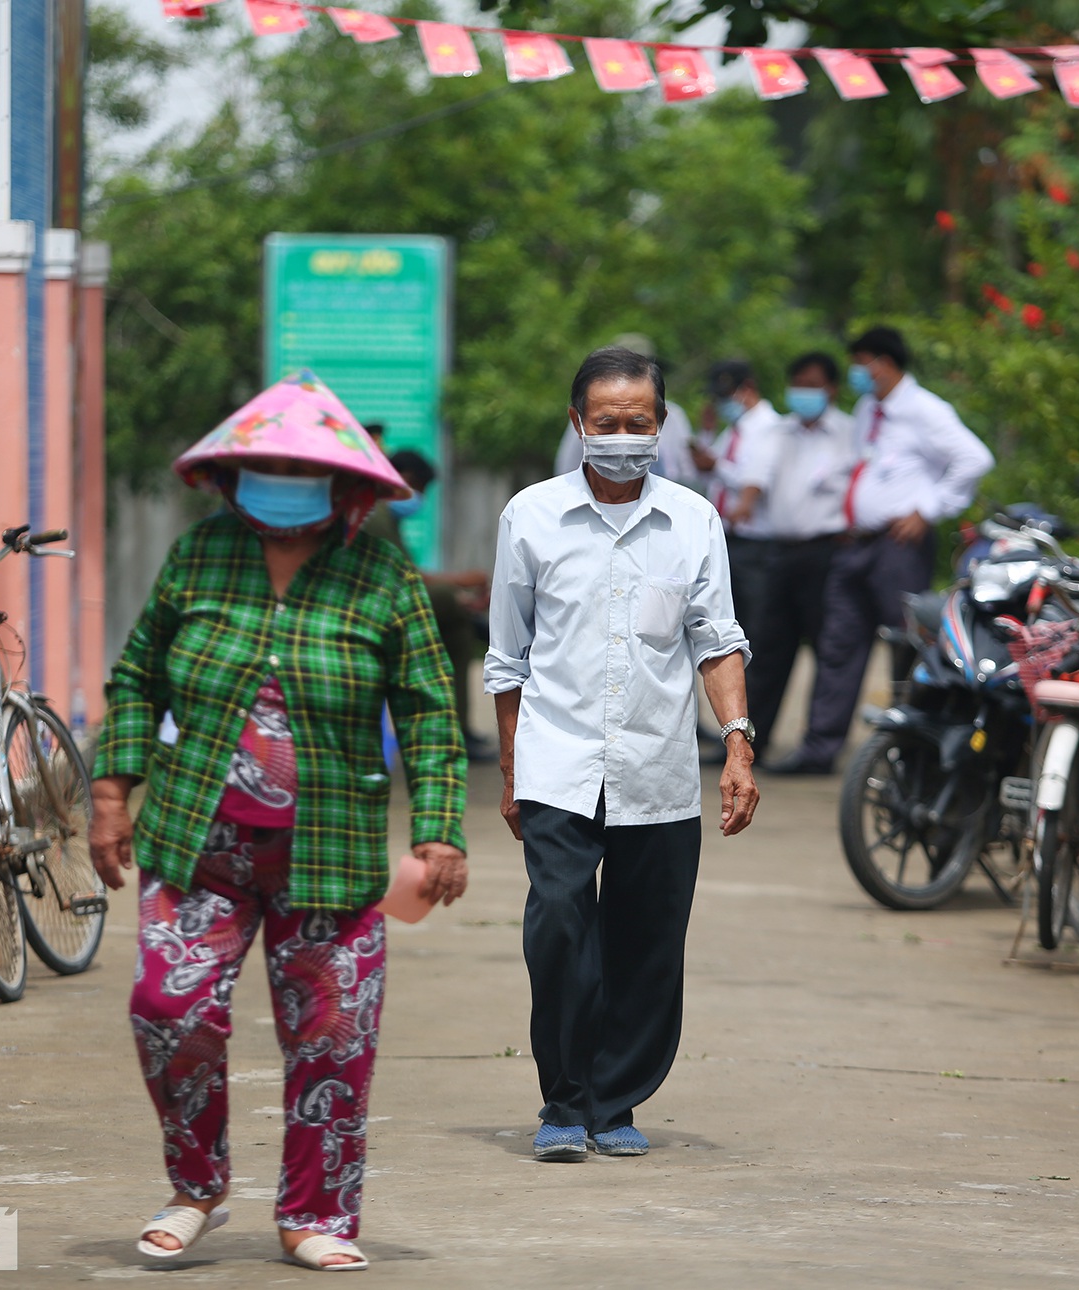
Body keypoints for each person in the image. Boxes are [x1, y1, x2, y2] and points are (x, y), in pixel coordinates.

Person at [90, 369, 469, 1271]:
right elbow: (138, 677)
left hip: (330, 849)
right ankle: (197, 1187)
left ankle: (315, 1215)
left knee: (333, 1035)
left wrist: (440, 826)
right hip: (199, 842)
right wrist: (112, 792)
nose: (283, 484)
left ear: (345, 484)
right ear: (231, 474)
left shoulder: (382, 571)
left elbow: (427, 707)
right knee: (166, 1008)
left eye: (304, 469)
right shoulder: (199, 555)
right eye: (267, 466)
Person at [486, 346, 760, 1163]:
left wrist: (738, 745)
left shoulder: (692, 520)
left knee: (648, 942)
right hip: (557, 761)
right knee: (561, 927)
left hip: (658, 767)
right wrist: (510, 773)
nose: (620, 437)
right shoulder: (529, 517)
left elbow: (717, 641)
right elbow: (508, 659)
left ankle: (616, 1100)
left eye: (636, 424)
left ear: (661, 425)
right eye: (605, 424)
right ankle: (563, 1101)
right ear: (578, 424)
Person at [770, 327, 994, 775]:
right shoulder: (869, 409)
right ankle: (819, 749)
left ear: (885, 363)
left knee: (905, 647)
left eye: (861, 363)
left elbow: (975, 459)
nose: (856, 372)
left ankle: (910, 753)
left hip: (898, 546)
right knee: (838, 644)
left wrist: (928, 509)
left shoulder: (925, 410)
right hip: (855, 545)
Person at [746, 352, 856, 762]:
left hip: (827, 552)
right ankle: (750, 740)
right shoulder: (779, 432)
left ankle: (819, 747)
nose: (803, 393)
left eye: (812, 384)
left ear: (831, 388)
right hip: (781, 552)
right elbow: (755, 479)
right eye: (798, 384)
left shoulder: (849, 432)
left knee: (829, 653)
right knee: (768, 649)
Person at [364, 448, 497, 762]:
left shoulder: (381, 512)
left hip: (385, 598)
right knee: (450, 604)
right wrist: (461, 584)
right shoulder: (376, 513)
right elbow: (408, 578)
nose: (419, 498)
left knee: (456, 621)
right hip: (371, 603)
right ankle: (455, 729)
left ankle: (456, 729)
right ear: (407, 480)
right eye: (420, 489)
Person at [688, 359, 783, 638]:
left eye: (725, 396)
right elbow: (708, 475)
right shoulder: (733, 430)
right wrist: (705, 435)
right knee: (728, 619)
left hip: (756, 540)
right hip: (728, 537)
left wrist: (715, 466)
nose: (720, 403)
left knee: (754, 622)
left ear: (748, 388)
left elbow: (753, 482)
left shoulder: (771, 427)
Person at [552, 334, 701, 488]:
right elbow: (566, 467)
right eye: (607, 424)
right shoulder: (589, 417)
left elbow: (687, 471)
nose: (623, 436)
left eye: (638, 425)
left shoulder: (675, 416)